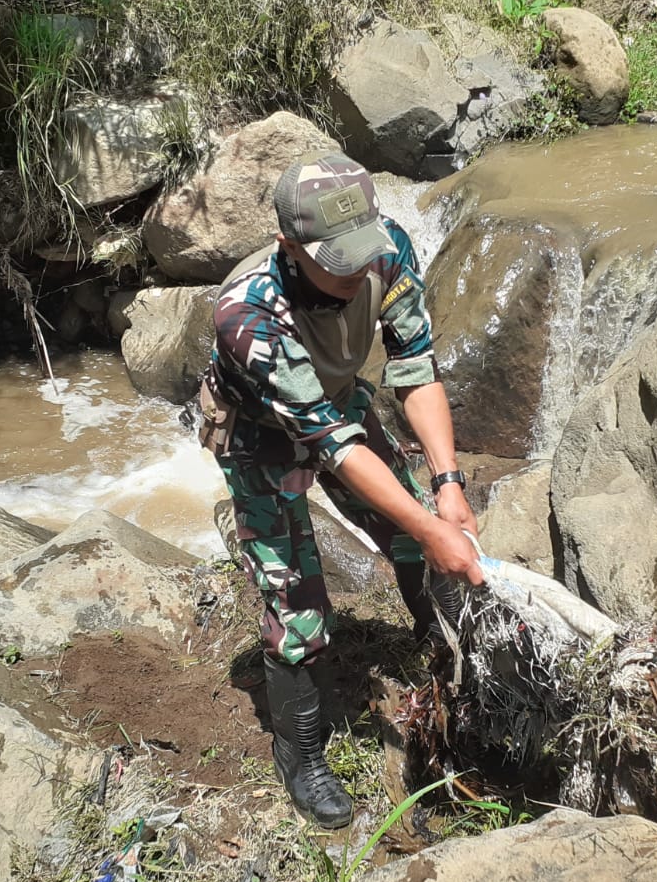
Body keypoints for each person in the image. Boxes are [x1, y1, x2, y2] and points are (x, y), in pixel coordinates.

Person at [202, 152, 484, 828]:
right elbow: (331, 445)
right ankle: (298, 752)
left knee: (415, 522)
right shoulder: (247, 316)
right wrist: (430, 528)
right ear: (289, 248)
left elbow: (415, 369)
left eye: (361, 254)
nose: (356, 271)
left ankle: (440, 643)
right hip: (263, 433)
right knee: (298, 605)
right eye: (337, 262)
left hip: (336, 401)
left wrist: (447, 486)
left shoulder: (385, 252)